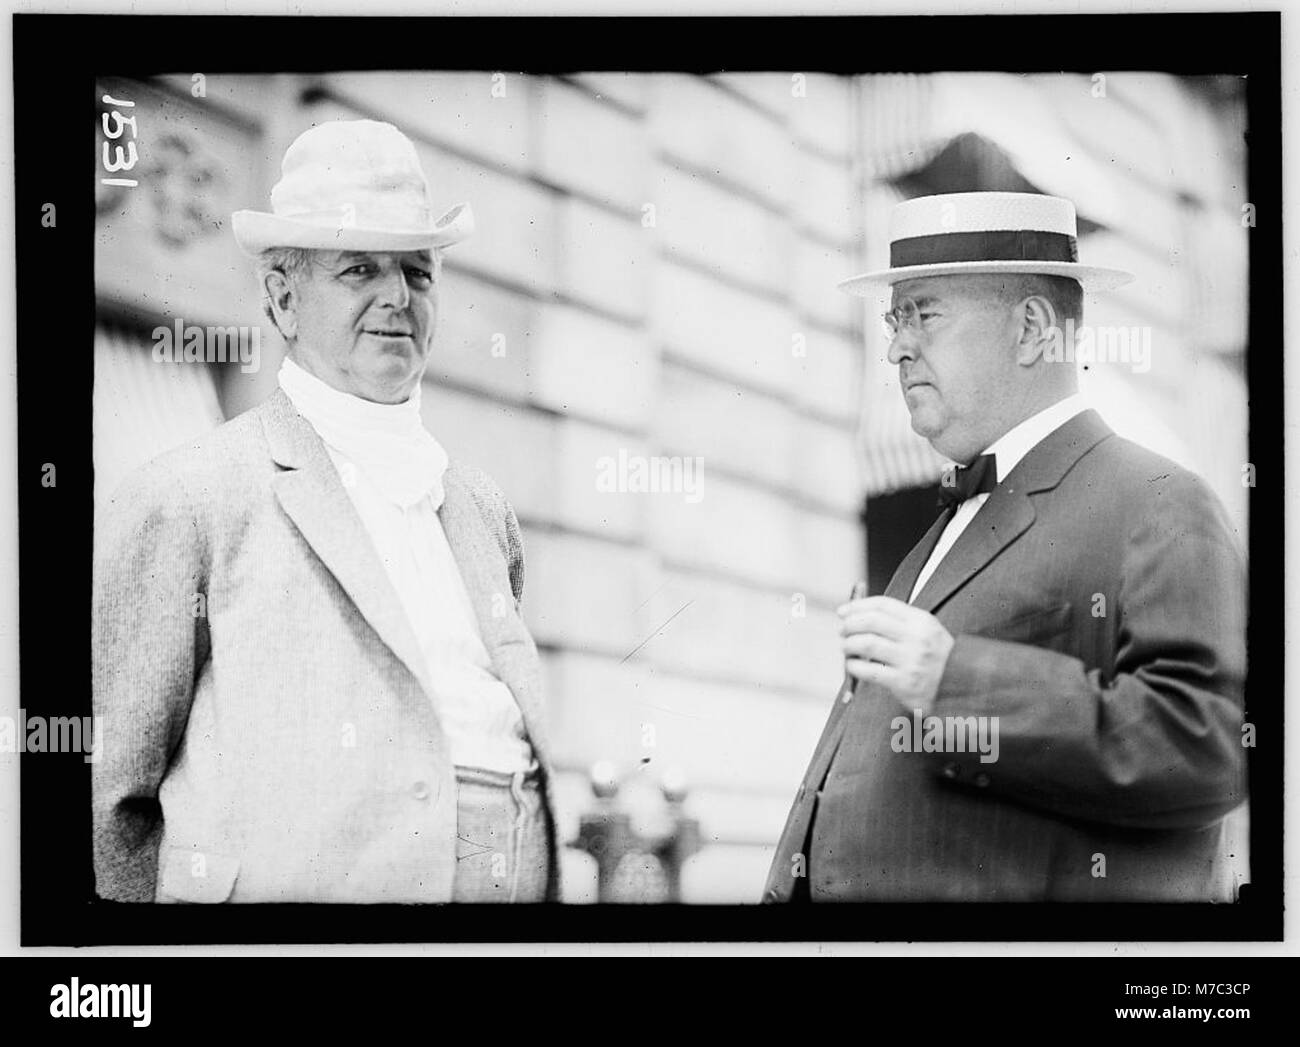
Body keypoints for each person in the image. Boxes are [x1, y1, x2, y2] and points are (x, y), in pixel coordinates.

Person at [93, 120, 559, 903]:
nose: (396, 298)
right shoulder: (189, 495)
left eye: (417, 270)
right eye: (358, 269)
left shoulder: (482, 509)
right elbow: (109, 803)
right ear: (282, 295)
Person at [763, 192, 1247, 902]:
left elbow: (1211, 745)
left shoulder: (1161, 500)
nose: (896, 345)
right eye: (895, 318)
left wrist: (956, 679)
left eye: (924, 313)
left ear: (1030, 330)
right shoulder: (943, 527)